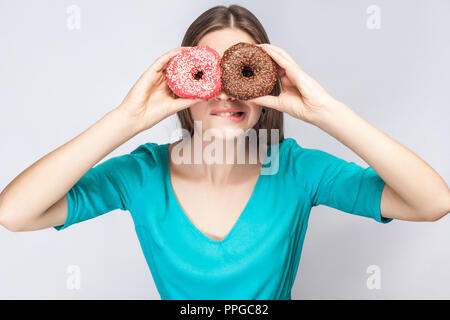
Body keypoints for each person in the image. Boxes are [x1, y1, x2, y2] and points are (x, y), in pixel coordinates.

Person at [0, 5, 449, 300]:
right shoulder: (141, 175)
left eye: (242, 73)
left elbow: (432, 202)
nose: (226, 95)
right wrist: (127, 118)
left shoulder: (296, 170)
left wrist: (326, 111)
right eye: (206, 74)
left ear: (266, 82)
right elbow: (16, 212)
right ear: (183, 84)